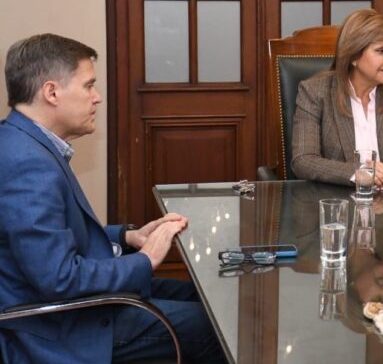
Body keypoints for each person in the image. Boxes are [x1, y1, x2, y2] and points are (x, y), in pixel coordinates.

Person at [0, 34, 224, 363]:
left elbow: (49, 240)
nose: (98, 97)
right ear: (51, 92)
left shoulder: (22, 142)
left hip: (69, 307)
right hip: (62, 327)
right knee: (219, 328)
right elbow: (59, 279)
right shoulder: (27, 163)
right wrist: (146, 259)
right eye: (89, 86)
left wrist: (126, 237)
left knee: (210, 299)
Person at [291, 9, 383, 187]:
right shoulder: (315, 92)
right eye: (381, 51)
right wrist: (360, 173)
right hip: (337, 199)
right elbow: (304, 160)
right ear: (353, 56)